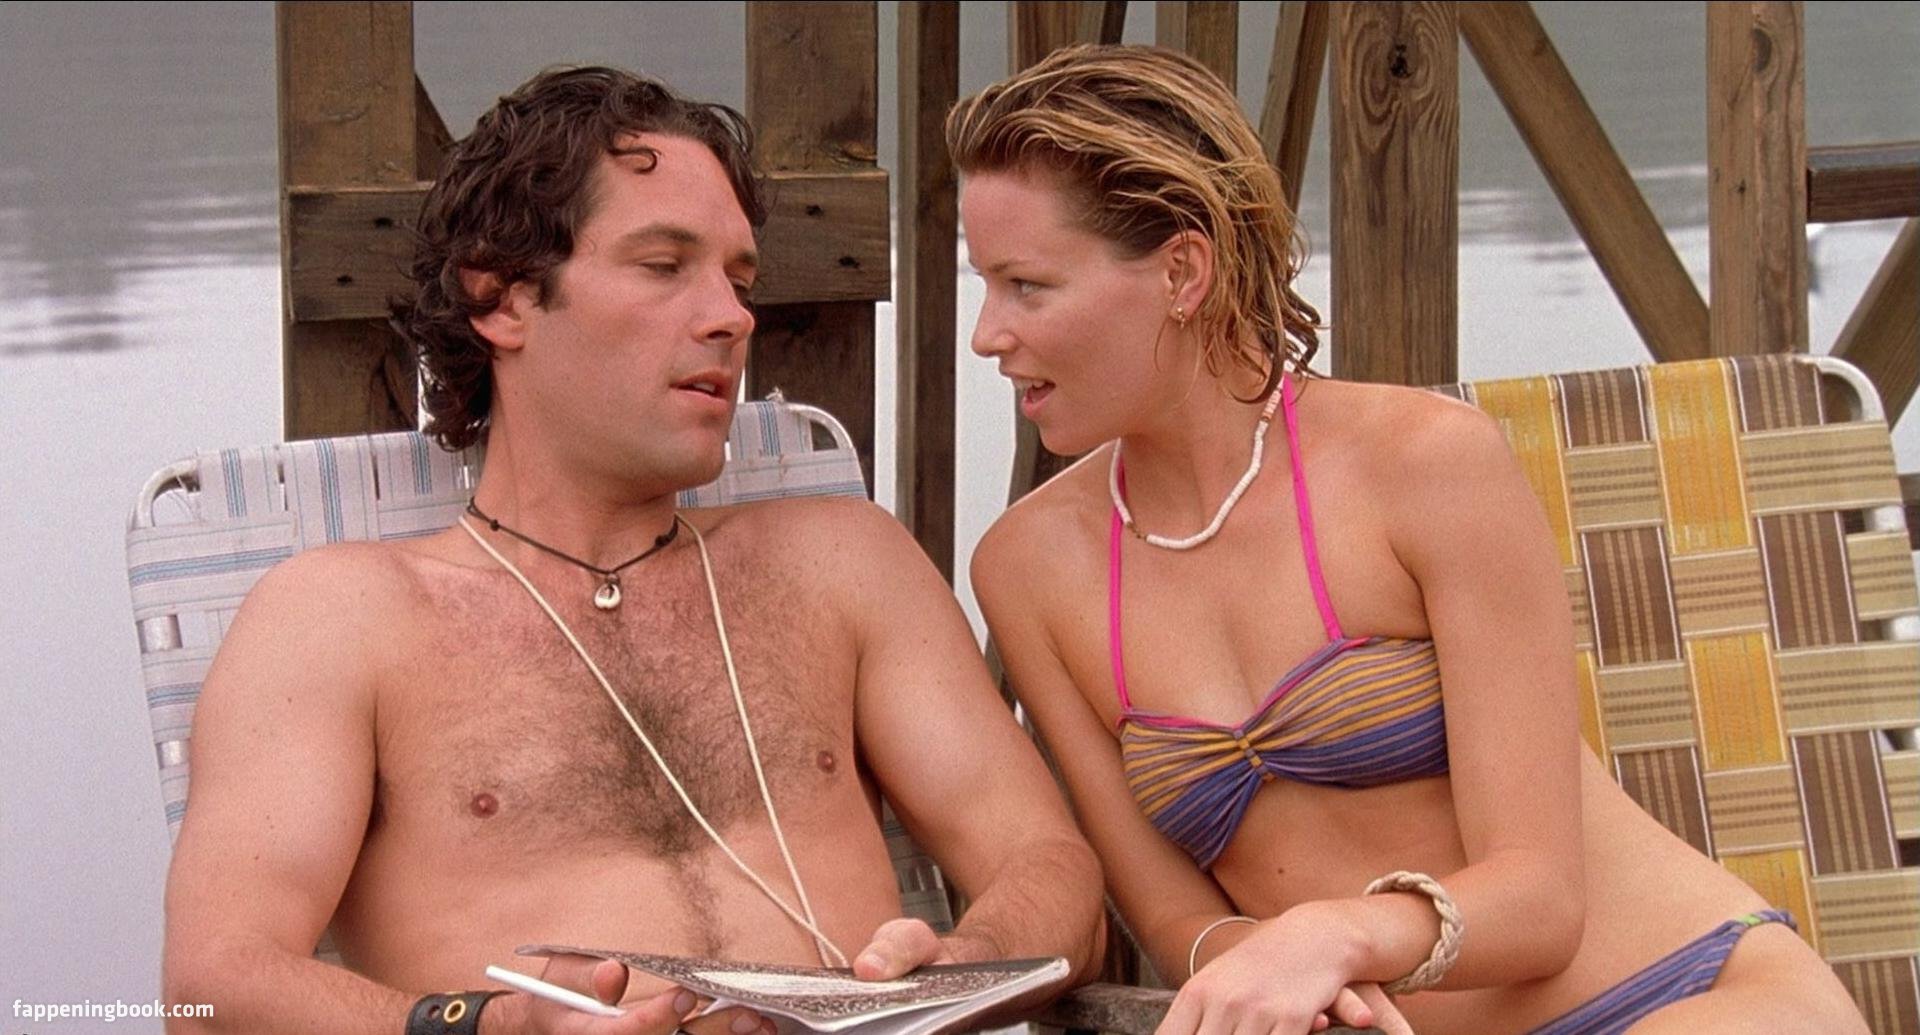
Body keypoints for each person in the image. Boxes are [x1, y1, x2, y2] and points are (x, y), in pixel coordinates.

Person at [161, 66, 1104, 1035]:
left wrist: (960, 965)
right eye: (663, 266)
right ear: (500, 298)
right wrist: (490, 1027)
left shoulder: (841, 565)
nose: (732, 316)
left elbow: (1050, 867)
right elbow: (212, 980)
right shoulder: (343, 619)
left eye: (740, 281)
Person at [954, 44, 1868, 1035]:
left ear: (1183, 271)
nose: (986, 334)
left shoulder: (1424, 465)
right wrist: (1277, 963)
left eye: (1026, 285)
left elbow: (1543, 898)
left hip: (1690, 992)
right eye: (984, 285)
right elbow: (1177, 919)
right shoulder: (1028, 569)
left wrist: (1333, 935)